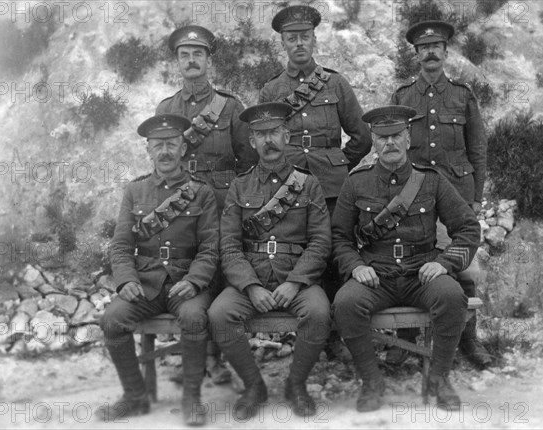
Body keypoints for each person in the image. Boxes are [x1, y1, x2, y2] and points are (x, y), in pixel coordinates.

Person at [332, 105, 481, 411]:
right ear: (373, 140)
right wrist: (356, 266)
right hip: (377, 275)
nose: (390, 143)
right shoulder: (356, 182)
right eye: (382, 136)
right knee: (345, 304)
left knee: (452, 296)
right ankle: (372, 381)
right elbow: (339, 237)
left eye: (396, 135)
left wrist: (444, 263)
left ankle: (439, 379)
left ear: (408, 136)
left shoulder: (431, 180)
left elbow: (468, 228)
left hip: (420, 274)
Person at [208, 102, 332, 419]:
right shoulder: (239, 186)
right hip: (254, 279)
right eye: (261, 135)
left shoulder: (308, 184)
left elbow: (320, 241)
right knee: (220, 314)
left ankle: (296, 385)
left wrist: (294, 283)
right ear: (252, 142)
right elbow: (230, 244)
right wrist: (250, 287)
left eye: (274, 132)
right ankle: (254, 387)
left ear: (287, 136)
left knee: (318, 313)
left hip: (297, 280)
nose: (269, 141)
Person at [99, 114, 219, 426]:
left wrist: (194, 282)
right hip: (147, 283)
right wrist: (125, 280)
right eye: (158, 146)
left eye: (171, 144)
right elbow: (121, 245)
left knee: (194, 317)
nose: (164, 151)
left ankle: (191, 398)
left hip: (186, 282)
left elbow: (210, 247)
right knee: (112, 319)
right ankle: (135, 396)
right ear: (149, 151)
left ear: (183, 149)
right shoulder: (135, 191)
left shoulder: (201, 192)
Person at [157, 24, 258, 383]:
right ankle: (194, 361)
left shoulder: (229, 107)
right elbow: (162, 159)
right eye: (184, 55)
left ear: (209, 60)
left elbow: (248, 160)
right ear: (177, 63)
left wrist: (235, 198)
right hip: (183, 203)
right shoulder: (167, 108)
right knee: (187, 272)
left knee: (216, 273)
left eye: (198, 54)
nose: (191, 61)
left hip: (222, 200)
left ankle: (216, 362)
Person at [389, 20, 491, 368]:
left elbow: (477, 150)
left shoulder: (463, 95)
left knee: (462, 267)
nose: (430, 53)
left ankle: (468, 341)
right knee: (407, 262)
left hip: (456, 198)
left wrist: (475, 198)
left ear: (445, 53)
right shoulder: (403, 98)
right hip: (413, 199)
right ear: (415, 54)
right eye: (423, 48)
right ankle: (405, 340)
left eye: (436, 47)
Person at [259, 4, 371, 215]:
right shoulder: (270, 90)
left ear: (314, 40)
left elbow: (363, 137)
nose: (299, 44)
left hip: (331, 187)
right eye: (292, 39)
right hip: (284, 185)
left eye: (305, 37)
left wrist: (339, 165)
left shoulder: (336, 83)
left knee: (334, 242)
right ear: (283, 43)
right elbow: (261, 143)